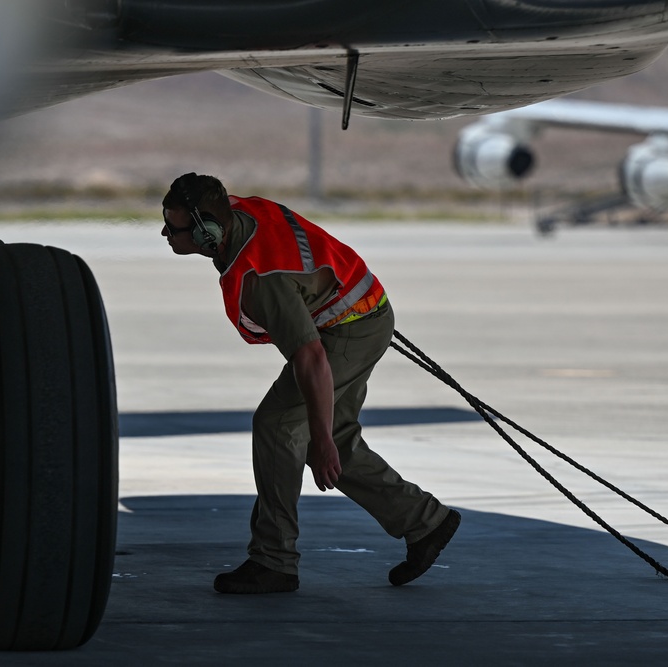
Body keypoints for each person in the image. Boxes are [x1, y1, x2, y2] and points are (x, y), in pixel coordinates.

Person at [160, 172, 460, 594]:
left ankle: (274, 560)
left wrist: (317, 442)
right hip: (358, 310)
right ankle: (424, 522)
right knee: (334, 434)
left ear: (210, 232)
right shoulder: (238, 214)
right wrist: (324, 437)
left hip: (347, 327)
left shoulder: (261, 278)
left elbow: (311, 357)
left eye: (174, 227)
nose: (165, 232)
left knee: (280, 425)